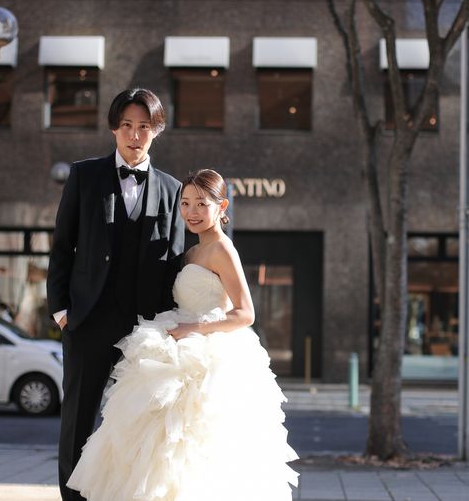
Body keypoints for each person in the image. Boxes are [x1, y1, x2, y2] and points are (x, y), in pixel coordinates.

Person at [67, 169, 298, 501]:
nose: (192, 212)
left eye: (201, 204)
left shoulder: (222, 249)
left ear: (222, 207)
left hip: (205, 351)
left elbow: (245, 313)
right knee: (157, 446)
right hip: (176, 339)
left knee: (194, 443)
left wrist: (194, 329)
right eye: (186, 203)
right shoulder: (191, 252)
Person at [46, 88, 185, 501]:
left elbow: (175, 262)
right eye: (126, 125)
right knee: (78, 422)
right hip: (88, 321)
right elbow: (62, 246)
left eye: (144, 126)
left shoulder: (172, 189)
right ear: (113, 128)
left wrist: (169, 326)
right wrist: (61, 310)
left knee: (137, 426)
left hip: (144, 329)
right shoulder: (84, 176)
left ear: (156, 131)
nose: (134, 135)